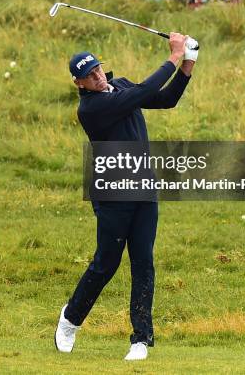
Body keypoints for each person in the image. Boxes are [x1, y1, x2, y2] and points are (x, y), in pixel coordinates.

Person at [55, 33, 199, 361]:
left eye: (97, 69)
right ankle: (70, 319)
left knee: (143, 262)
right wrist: (174, 54)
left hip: (143, 187)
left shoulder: (118, 86)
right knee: (106, 263)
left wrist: (187, 65)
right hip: (113, 194)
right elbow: (147, 91)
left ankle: (140, 339)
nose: (97, 76)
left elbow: (165, 99)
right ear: (80, 84)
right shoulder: (92, 109)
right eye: (89, 76)